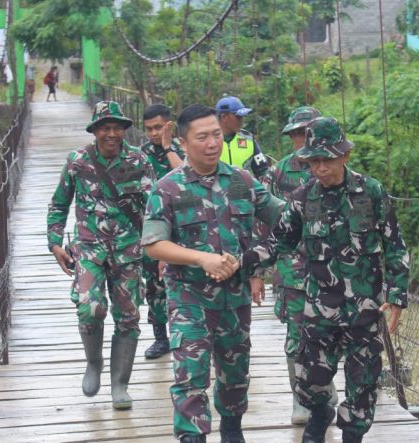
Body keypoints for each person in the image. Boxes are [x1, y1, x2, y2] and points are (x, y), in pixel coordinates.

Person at [242, 117, 410, 443]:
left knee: (363, 385)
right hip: (320, 309)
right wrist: (241, 265)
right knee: (311, 379)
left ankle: (352, 435)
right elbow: (277, 242)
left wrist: (398, 294)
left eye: (327, 160)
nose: (320, 168)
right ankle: (321, 412)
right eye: (314, 161)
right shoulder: (304, 199)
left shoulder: (372, 193)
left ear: (344, 156)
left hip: (365, 308)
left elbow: (395, 246)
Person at [141, 104, 284, 443]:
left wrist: (258, 259)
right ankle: (193, 437)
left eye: (216, 135)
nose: (212, 143)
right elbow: (154, 245)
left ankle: (232, 431)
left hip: (234, 299)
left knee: (235, 375)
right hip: (189, 298)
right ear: (183, 142)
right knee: (190, 376)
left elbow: (283, 218)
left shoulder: (242, 181)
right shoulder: (168, 188)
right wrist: (201, 259)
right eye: (202, 137)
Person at [47, 101, 154, 410]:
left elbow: (157, 206)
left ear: (123, 130)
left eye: (116, 127)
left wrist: (160, 247)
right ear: (94, 131)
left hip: (128, 251)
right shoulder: (78, 161)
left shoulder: (139, 161)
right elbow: (58, 203)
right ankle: (94, 362)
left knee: (128, 317)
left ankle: (120, 384)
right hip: (89, 249)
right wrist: (55, 243)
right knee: (89, 308)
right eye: (104, 127)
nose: (111, 133)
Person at [260, 106, 338, 426]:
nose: (301, 139)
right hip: (292, 267)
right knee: (297, 334)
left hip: (331, 266)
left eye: (307, 132)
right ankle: (301, 400)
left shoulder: (335, 168)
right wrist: (257, 271)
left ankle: (324, 386)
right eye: (296, 134)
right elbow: (263, 221)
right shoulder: (278, 174)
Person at [140, 104, 185, 359]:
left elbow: (188, 174)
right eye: (149, 129)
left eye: (158, 127)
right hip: (154, 228)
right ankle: (160, 338)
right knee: (155, 286)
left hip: (184, 227)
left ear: (169, 125)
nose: (153, 134)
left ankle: (188, 334)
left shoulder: (183, 148)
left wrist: (168, 147)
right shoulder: (141, 154)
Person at [215, 95, 269, 179]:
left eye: (243, 117)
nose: (242, 120)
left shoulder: (248, 139)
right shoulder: (209, 140)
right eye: (238, 117)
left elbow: (263, 171)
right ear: (224, 117)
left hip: (244, 190)